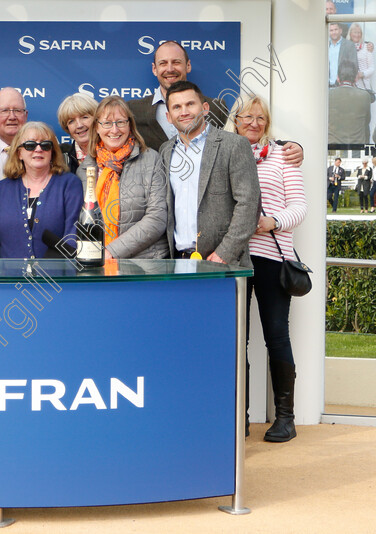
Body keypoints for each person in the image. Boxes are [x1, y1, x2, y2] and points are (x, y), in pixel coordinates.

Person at [227, 96, 307, 442]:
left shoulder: (282, 156)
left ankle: (285, 418)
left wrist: (272, 222)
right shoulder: (226, 154)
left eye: (261, 118)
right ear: (236, 120)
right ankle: (238, 419)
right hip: (235, 258)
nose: (254, 123)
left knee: (276, 336)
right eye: (247, 117)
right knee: (236, 341)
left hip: (273, 257)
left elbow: (300, 207)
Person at [128, 41, 304, 167]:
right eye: (163, 63)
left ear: (188, 66)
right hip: (155, 202)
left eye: (176, 62)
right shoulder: (134, 110)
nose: (170, 69)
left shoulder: (215, 107)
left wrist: (289, 146)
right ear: (154, 69)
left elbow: (241, 136)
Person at [159, 80, 260, 266]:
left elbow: (249, 204)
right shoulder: (165, 151)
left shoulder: (234, 145)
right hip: (178, 262)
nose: (184, 112)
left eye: (190, 104)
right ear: (169, 116)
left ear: (205, 108)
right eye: (177, 107)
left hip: (224, 263)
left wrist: (224, 253)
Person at [75, 96, 168, 259]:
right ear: (96, 127)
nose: (114, 130)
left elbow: (157, 217)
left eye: (120, 122)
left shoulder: (151, 160)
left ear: (130, 125)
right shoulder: (86, 169)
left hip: (145, 265)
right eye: (107, 123)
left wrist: (111, 251)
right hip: (98, 264)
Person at [0, 121, 82, 259]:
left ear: (52, 152)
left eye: (46, 145)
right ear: (19, 153)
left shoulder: (69, 184)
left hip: (55, 278)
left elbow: (73, 235)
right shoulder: (2, 189)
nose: (38, 149)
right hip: (7, 278)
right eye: (30, 145)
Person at [0, 88, 29, 184]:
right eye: (5, 110)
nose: (12, 117)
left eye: (17, 110)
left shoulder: (40, 151)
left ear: (25, 116)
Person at [328, 62, 374, 145]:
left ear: (338, 78)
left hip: (331, 150)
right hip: (357, 151)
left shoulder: (328, 95)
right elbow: (366, 124)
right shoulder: (364, 96)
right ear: (356, 78)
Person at [56, 93, 99, 175]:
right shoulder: (61, 161)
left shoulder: (116, 155)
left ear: (97, 119)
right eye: (71, 121)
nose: (79, 125)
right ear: (67, 127)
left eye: (84, 117)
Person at [329, 22, 358, 86]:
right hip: (327, 85)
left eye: (336, 29)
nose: (334, 32)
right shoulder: (325, 46)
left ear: (340, 31)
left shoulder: (349, 45)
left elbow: (354, 65)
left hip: (344, 85)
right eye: (331, 30)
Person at [348, 23, 375, 90]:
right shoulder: (346, 47)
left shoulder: (367, 47)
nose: (357, 35)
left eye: (359, 32)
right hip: (350, 85)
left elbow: (372, 68)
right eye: (355, 32)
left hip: (364, 86)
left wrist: (362, 74)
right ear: (350, 34)